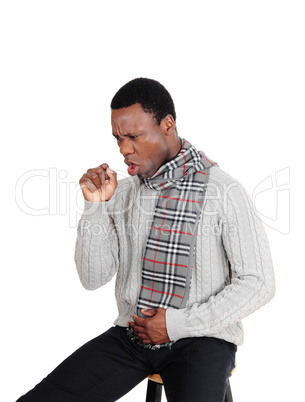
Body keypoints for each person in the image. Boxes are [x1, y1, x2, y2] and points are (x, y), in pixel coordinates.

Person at [17, 77, 276, 402]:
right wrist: (95, 206)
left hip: (203, 338)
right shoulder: (123, 194)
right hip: (132, 334)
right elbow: (92, 278)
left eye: (134, 136)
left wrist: (177, 324)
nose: (124, 149)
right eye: (118, 138)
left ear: (167, 125)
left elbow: (258, 283)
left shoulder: (223, 191)